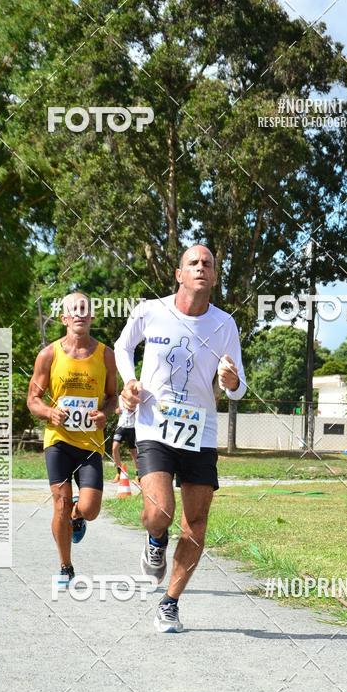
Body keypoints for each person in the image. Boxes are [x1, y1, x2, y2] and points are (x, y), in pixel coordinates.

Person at [114, 245, 246, 633]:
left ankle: (170, 603)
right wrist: (129, 381)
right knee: (160, 513)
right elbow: (123, 347)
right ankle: (155, 540)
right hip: (154, 424)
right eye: (194, 263)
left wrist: (232, 381)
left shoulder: (225, 324)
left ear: (215, 276)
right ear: (178, 274)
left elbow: (238, 389)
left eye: (208, 264)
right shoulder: (150, 311)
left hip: (199, 431)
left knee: (196, 522)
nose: (201, 268)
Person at [27, 291, 117, 588]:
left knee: (90, 509)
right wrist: (49, 413)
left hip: (90, 444)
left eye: (84, 309)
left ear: (91, 317)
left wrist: (105, 413)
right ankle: (65, 567)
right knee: (60, 503)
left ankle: (78, 516)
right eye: (72, 310)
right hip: (59, 441)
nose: (79, 313)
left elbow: (113, 397)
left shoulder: (105, 354)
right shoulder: (49, 354)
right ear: (64, 318)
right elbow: (33, 400)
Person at [111, 395, 137, 482]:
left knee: (133, 451)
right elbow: (116, 410)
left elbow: (140, 412)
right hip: (121, 426)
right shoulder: (120, 397)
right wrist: (117, 411)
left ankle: (138, 474)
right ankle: (119, 472)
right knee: (114, 448)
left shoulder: (136, 397)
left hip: (132, 427)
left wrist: (132, 409)